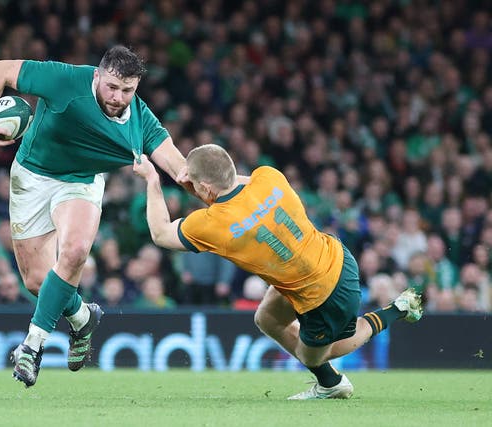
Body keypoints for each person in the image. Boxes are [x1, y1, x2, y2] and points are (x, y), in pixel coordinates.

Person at [132, 144, 423, 400]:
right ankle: (330, 383)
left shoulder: (212, 225)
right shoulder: (268, 176)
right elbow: (232, 190)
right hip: (336, 255)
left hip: (324, 294)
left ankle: (395, 310)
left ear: (205, 189)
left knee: (315, 354)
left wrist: (152, 180)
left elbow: (160, 233)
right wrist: (198, 179)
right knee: (267, 318)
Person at [0, 45, 189, 387]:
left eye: (128, 90)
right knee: (37, 283)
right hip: (31, 177)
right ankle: (82, 316)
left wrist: (225, 192)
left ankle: (32, 346)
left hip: (80, 183)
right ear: (98, 75)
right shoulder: (65, 80)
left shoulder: (140, 121)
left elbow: (179, 168)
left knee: (74, 252)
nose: (118, 97)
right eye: (112, 87)